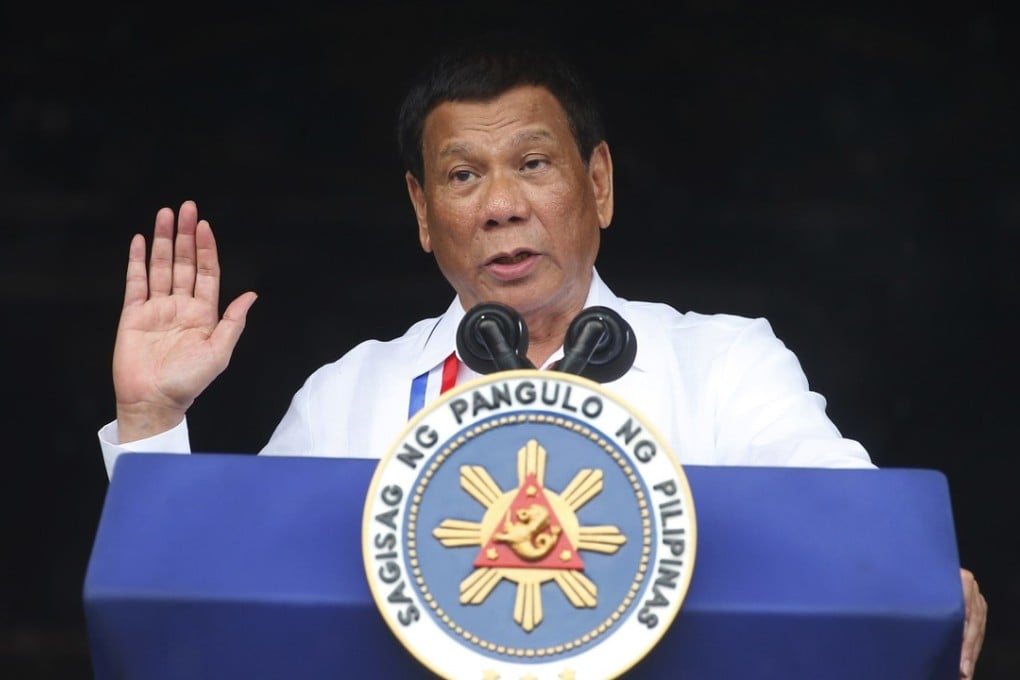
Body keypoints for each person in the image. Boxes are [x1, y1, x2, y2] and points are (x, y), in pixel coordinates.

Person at [97, 34, 986, 678]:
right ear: (421, 211)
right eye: (462, 175)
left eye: (532, 164)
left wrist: (918, 587)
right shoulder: (351, 393)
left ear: (598, 182)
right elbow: (215, 610)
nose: (501, 206)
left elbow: (851, 535)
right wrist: (152, 420)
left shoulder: (724, 364)